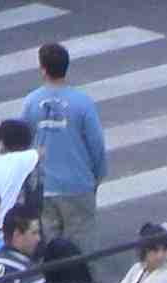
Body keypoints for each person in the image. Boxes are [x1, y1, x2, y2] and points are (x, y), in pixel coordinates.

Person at [21, 42, 107, 243]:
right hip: (77, 185)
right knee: (81, 249)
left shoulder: (31, 102)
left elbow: (22, 142)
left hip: (44, 187)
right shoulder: (83, 102)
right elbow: (96, 144)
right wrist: (98, 176)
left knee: (49, 249)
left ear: (43, 69)